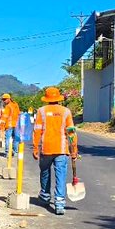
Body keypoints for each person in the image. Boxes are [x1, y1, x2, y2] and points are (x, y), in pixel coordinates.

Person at [32, 87, 76, 215]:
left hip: (46, 148)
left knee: (45, 172)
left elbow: (37, 130)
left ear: (46, 99)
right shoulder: (66, 111)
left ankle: (45, 196)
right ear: (59, 98)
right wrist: (74, 150)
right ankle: (60, 203)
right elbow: (71, 133)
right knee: (60, 175)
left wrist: (35, 147)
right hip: (61, 149)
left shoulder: (41, 111)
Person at [0, 93, 21, 158]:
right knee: (16, 138)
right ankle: (15, 152)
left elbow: (4, 117)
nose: (4, 101)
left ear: (9, 99)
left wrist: (1, 126)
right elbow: (18, 114)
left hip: (9, 125)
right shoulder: (15, 104)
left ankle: (7, 153)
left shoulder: (8, 106)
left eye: (5, 99)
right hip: (16, 124)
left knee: (8, 139)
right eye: (3, 100)